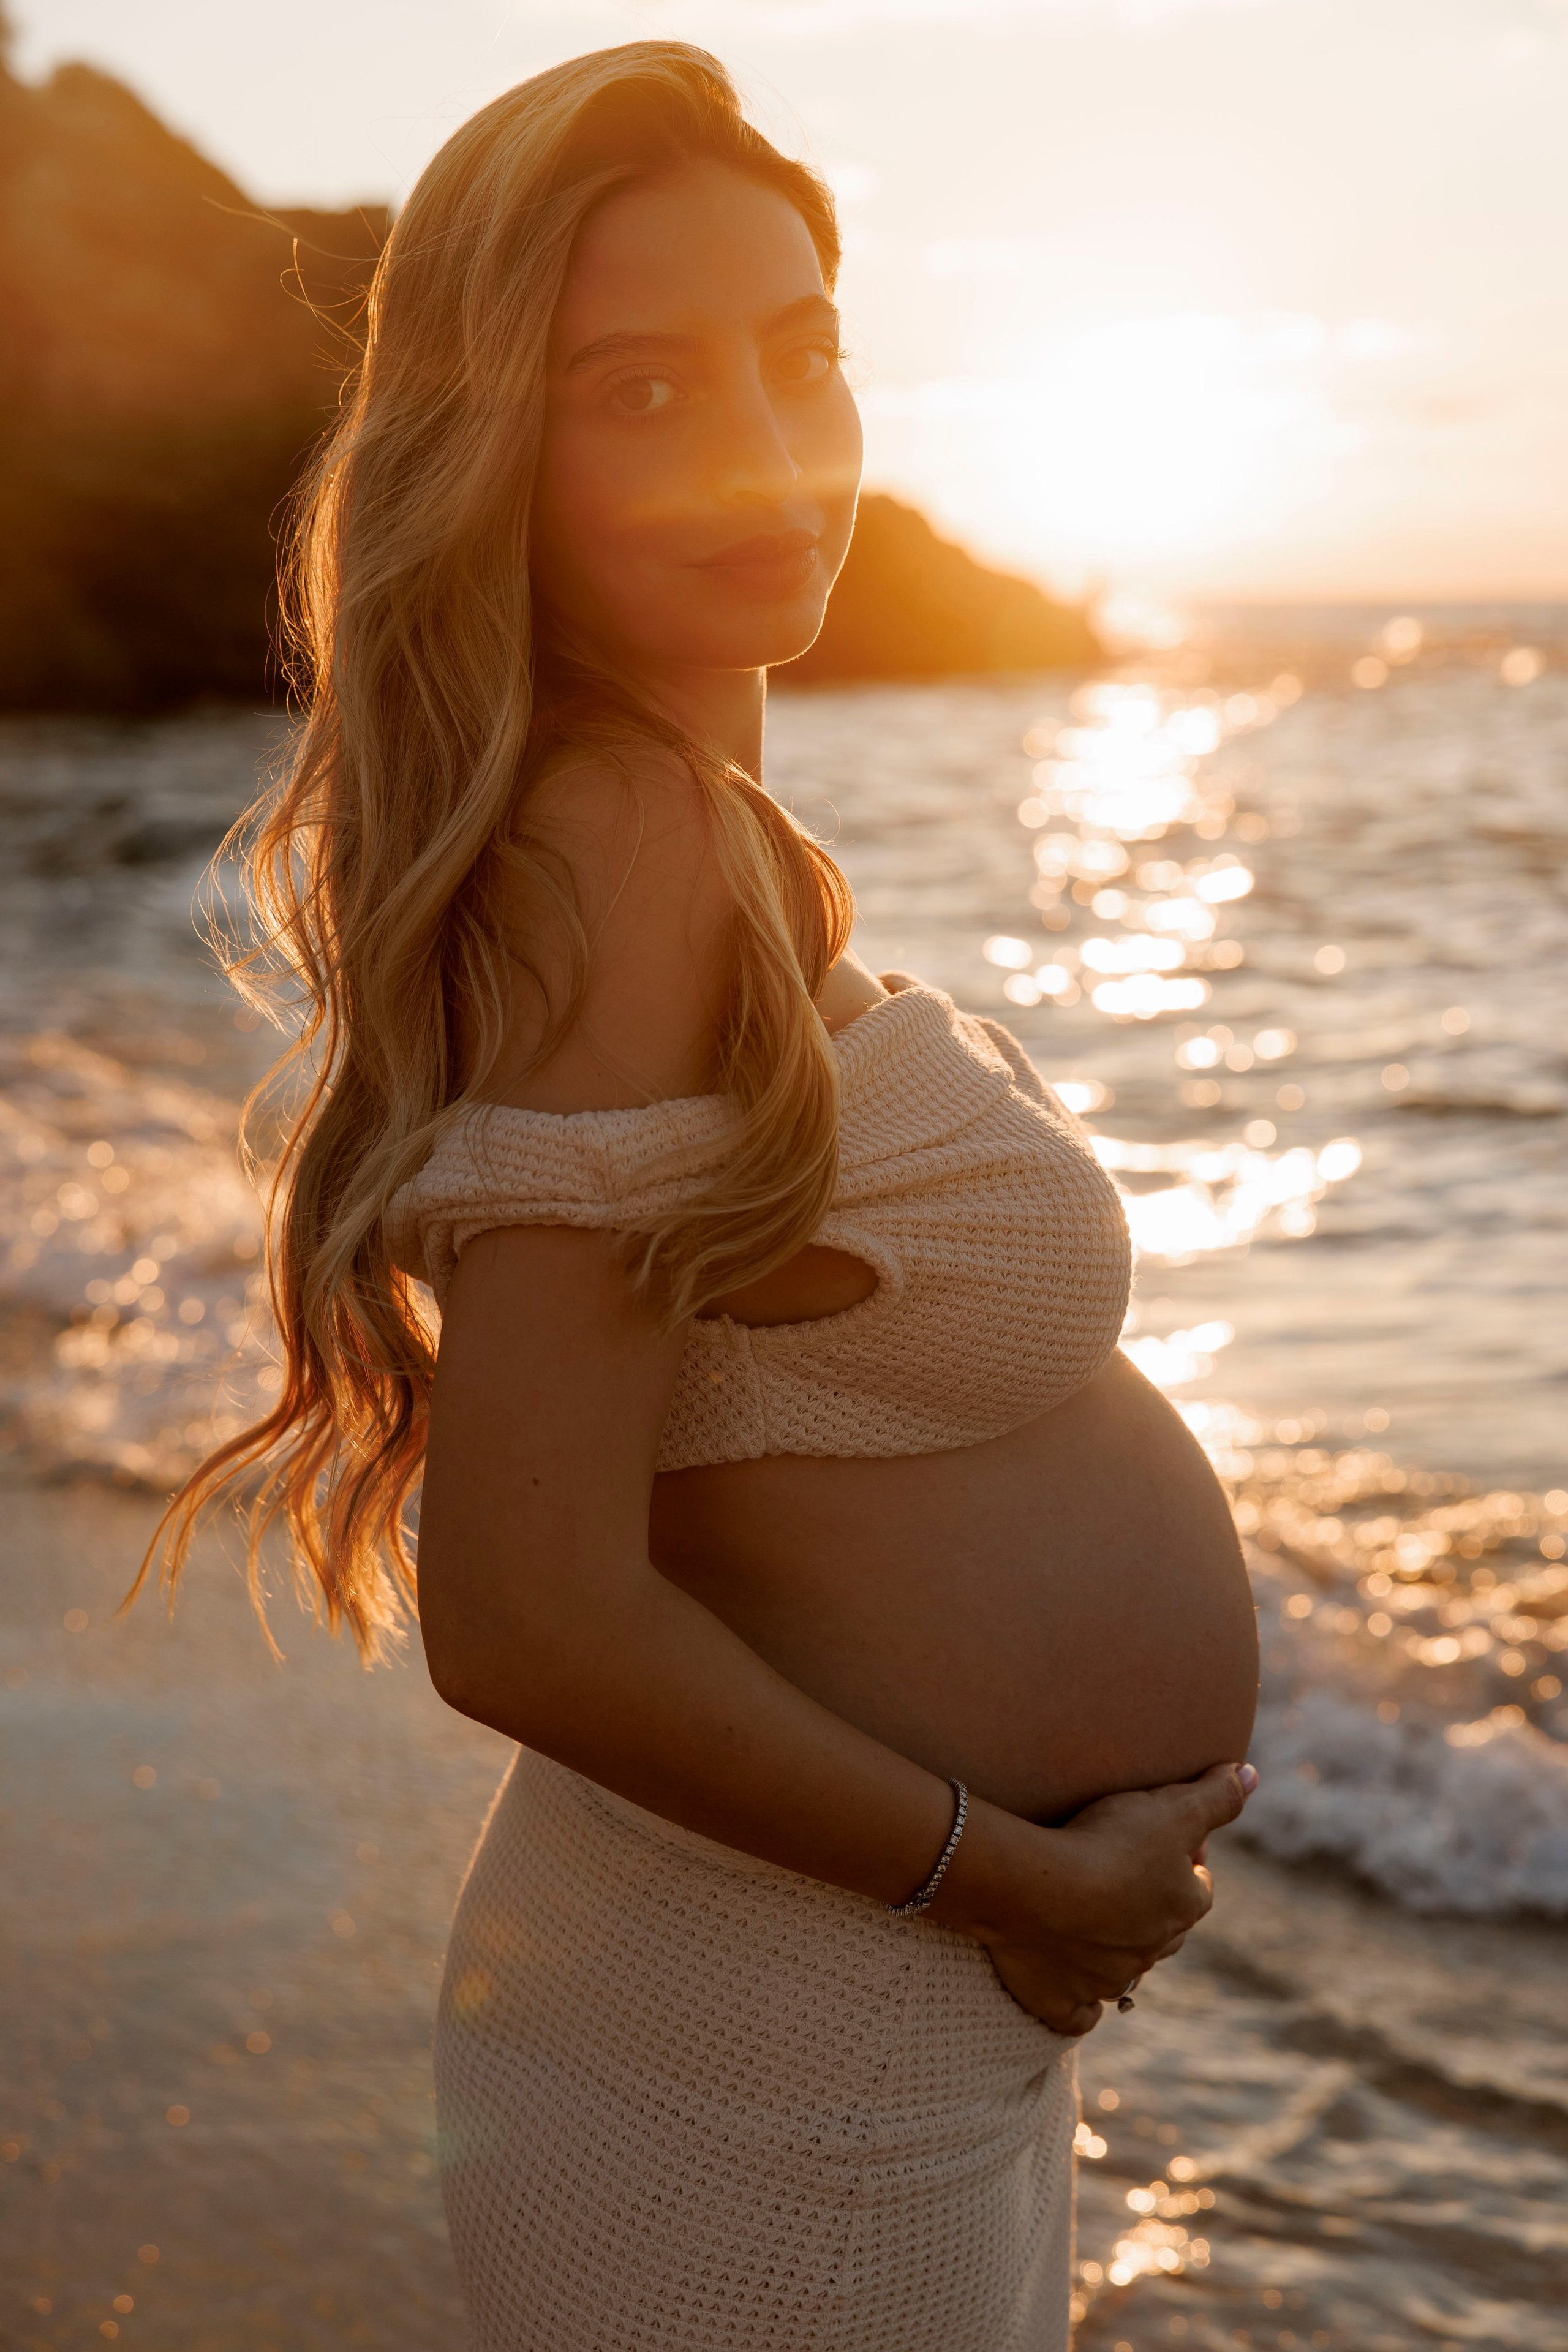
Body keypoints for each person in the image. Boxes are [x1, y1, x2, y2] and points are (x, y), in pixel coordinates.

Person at [146, 42, 1261, 2351]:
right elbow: (524, 1617)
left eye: (801, 360)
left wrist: (1014, 1901)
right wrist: (1014, 1878)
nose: (764, 450)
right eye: (641, 392)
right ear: (498, 452)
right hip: (778, 2040)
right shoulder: (615, 841)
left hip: (845, 2001)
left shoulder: (687, 829)